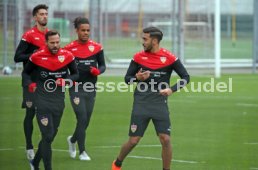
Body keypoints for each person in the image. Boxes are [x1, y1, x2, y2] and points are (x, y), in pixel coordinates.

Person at [111, 27, 190, 170]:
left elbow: (186, 77)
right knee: (134, 140)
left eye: (145, 39)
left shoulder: (170, 58)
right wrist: (137, 77)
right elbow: (127, 79)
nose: (142, 42)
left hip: (159, 103)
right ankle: (117, 163)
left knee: (165, 139)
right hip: (141, 103)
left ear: (154, 41)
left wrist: (171, 89)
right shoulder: (138, 57)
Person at [22, 30, 79, 170]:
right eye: (52, 43)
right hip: (42, 102)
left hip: (59, 103)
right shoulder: (36, 57)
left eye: (57, 42)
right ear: (46, 42)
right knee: (47, 135)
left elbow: (76, 75)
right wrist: (30, 84)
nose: (55, 45)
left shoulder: (68, 56)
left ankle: (35, 163)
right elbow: (25, 73)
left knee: (50, 137)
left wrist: (66, 81)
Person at [64, 17, 106, 161]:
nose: (86, 33)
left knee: (86, 121)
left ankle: (72, 140)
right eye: (83, 30)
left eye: (88, 30)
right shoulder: (68, 49)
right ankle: (82, 152)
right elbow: (64, 70)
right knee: (81, 118)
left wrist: (98, 71)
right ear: (76, 30)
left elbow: (103, 65)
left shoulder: (97, 47)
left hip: (90, 87)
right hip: (75, 88)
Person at [14, 4, 49, 160]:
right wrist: (33, 53)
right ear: (35, 17)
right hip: (30, 81)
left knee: (46, 113)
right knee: (30, 113)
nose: (44, 16)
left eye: (46, 14)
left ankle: (45, 144)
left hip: (47, 82)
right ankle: (29, 146)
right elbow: (17, 57)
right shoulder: (29, 35)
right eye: (41, 14)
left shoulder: (51, 36)